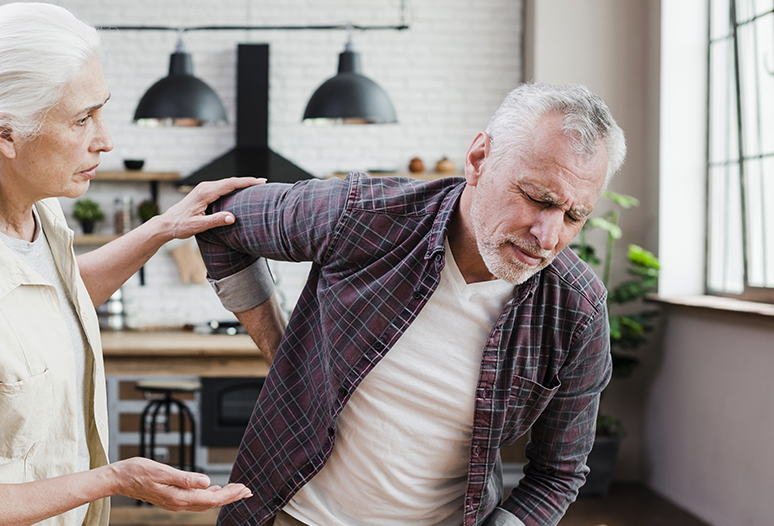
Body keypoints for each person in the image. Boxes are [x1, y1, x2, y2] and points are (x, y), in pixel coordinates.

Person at [0, 4, 258, 525]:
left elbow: (54, 297)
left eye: (101, 109)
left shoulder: (31, 204)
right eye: (80, 119)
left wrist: (162, 228)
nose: (105, 139)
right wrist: (113, 479)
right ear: (6, 135)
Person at [196, 82, 626, 526]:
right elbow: (215, 219)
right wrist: (279, 347)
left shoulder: (578, 309)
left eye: (575, 216)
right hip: (288, 514)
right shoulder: (364, 215)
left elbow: (557, 474)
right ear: (479, 159)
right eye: (538, 197)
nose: (548, 236)